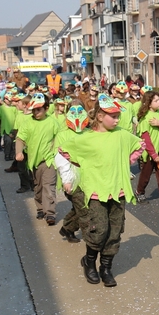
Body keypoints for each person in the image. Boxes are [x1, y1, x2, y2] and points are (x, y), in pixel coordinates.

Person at [56, 94, 144, 287]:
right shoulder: (87, 138)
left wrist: (125, 162)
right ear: (100, 116)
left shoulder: (121, 134)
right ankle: (89, 262)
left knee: (114, 231)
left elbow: (138, 145)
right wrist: (77, 170)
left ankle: (106, 267)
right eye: (112, 116)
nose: (117, 119)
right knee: (99, 229)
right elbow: (65, 151)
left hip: (117, 190)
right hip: (94, 191)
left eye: (118, 115)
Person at [15, 93, 60, 225]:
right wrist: (19, 152)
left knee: (48, 186)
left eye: (38, 109)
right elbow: (20, 138)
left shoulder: (53, 122)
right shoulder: (28, 123)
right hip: (33, 162)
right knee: (38, 187)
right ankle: (40, 208)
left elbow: (60, 139)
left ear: (46, 108)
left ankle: (50, 213)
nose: (35, 112)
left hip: (49, 160)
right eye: (33, 109)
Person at [53, 98, 89, 243]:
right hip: (71, 179)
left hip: (87, 177)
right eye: (72, 111)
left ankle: (68, 228)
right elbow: (60, 159)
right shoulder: (62, 134)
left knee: (82, 206)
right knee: (84, 208)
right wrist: (67, 180)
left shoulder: (89, 132)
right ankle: (92, 241)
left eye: (79, 111)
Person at [135, 91, 159, 206]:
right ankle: (139, 192)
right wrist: (154, 155)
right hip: (150, 153)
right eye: (156, 100)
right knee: (145, 175)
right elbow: (146, 139)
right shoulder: (145, 117)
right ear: (149, 103)